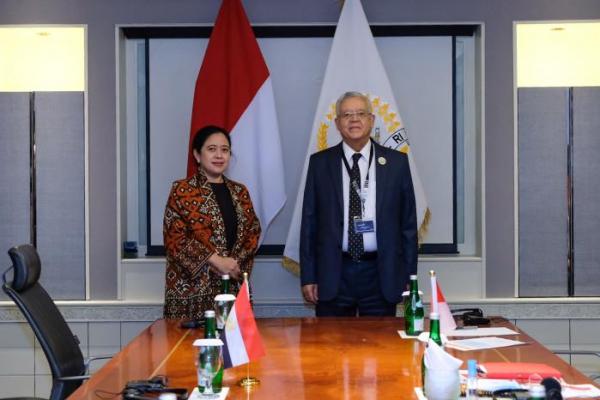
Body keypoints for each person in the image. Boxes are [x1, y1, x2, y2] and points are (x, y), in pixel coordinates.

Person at [300, 91, 418, 317]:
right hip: (334, 274)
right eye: (347, 115)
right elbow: (309, 224)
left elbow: (408, 226)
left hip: (381, 275)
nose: (354, 119)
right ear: (337, 123)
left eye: (360, 113)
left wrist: (409, 277)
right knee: (331, 340)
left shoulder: (397, 163)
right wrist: (309, 276)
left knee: (380, 340)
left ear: (371, 120)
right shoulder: (320, 164)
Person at [163, 125, 261, 319]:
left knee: (234, 339)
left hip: (232, 286)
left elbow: (253, 232)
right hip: (191, 293)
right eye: (211, 149)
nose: (219, 155)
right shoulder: (182, 190)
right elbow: (175, 239)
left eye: (225, 150)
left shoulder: (240, 192)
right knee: (191, 340)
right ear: (197, 155)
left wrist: (232, 264)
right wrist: (216, 261)